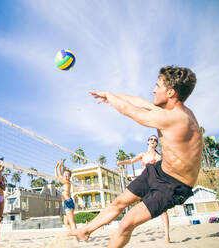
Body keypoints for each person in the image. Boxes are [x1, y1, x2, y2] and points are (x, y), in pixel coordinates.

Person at [71, 66, 203, 248]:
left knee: (126, 223)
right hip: (160, 170)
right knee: (118, 202)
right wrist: (110, 94)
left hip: (175, 185)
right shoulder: (170, 110)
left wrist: (111, 99)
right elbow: (139, 102)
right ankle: (86, 230)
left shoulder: (177, 118)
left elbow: (130, 111)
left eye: (157, 86)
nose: (153, 90)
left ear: (171, 92)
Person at [117, 135, 171, 243]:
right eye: (151, 139)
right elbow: (132, 161)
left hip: (156, 184)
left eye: (155, 140)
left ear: (156, 144)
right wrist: (122, 162)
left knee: (163, 211)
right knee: (132, 203)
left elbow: (163, 172)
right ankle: (125, 228)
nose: (153, 141)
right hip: (144, 183)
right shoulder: (143, 155)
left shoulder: (158, 157)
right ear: (147, 142)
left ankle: (167, 236)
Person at [54, 161, 78, 242]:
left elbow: (57, 176)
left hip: (68, 202)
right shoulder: (65, 180)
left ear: (70, 176)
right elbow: (61, 174)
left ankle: (76, 237)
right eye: (65, 174)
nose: (65, 176)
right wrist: (60, 167)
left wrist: (56, 167)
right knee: (66, 223)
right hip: (66, 203)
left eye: (67, 175)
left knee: (71, 222)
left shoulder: (66, 181)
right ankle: (73, 233)